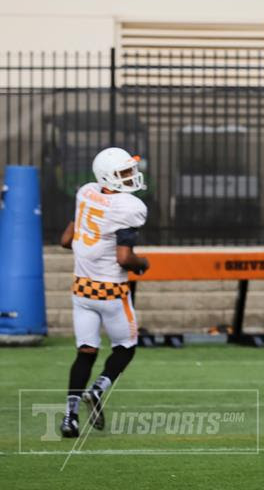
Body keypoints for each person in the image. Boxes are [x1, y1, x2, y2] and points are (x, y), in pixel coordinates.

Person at [58, 147, 150, 438]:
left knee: (86, 351)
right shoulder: (128, 206)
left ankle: (69, 418)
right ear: (108, 176)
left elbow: (65, 240)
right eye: (125, 172)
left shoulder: (86, 193)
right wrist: (142, 264)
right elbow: (124, 258)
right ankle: (98, 389)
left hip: (81, 290)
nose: (131, 176)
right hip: (112, 292)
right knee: (126, 347)